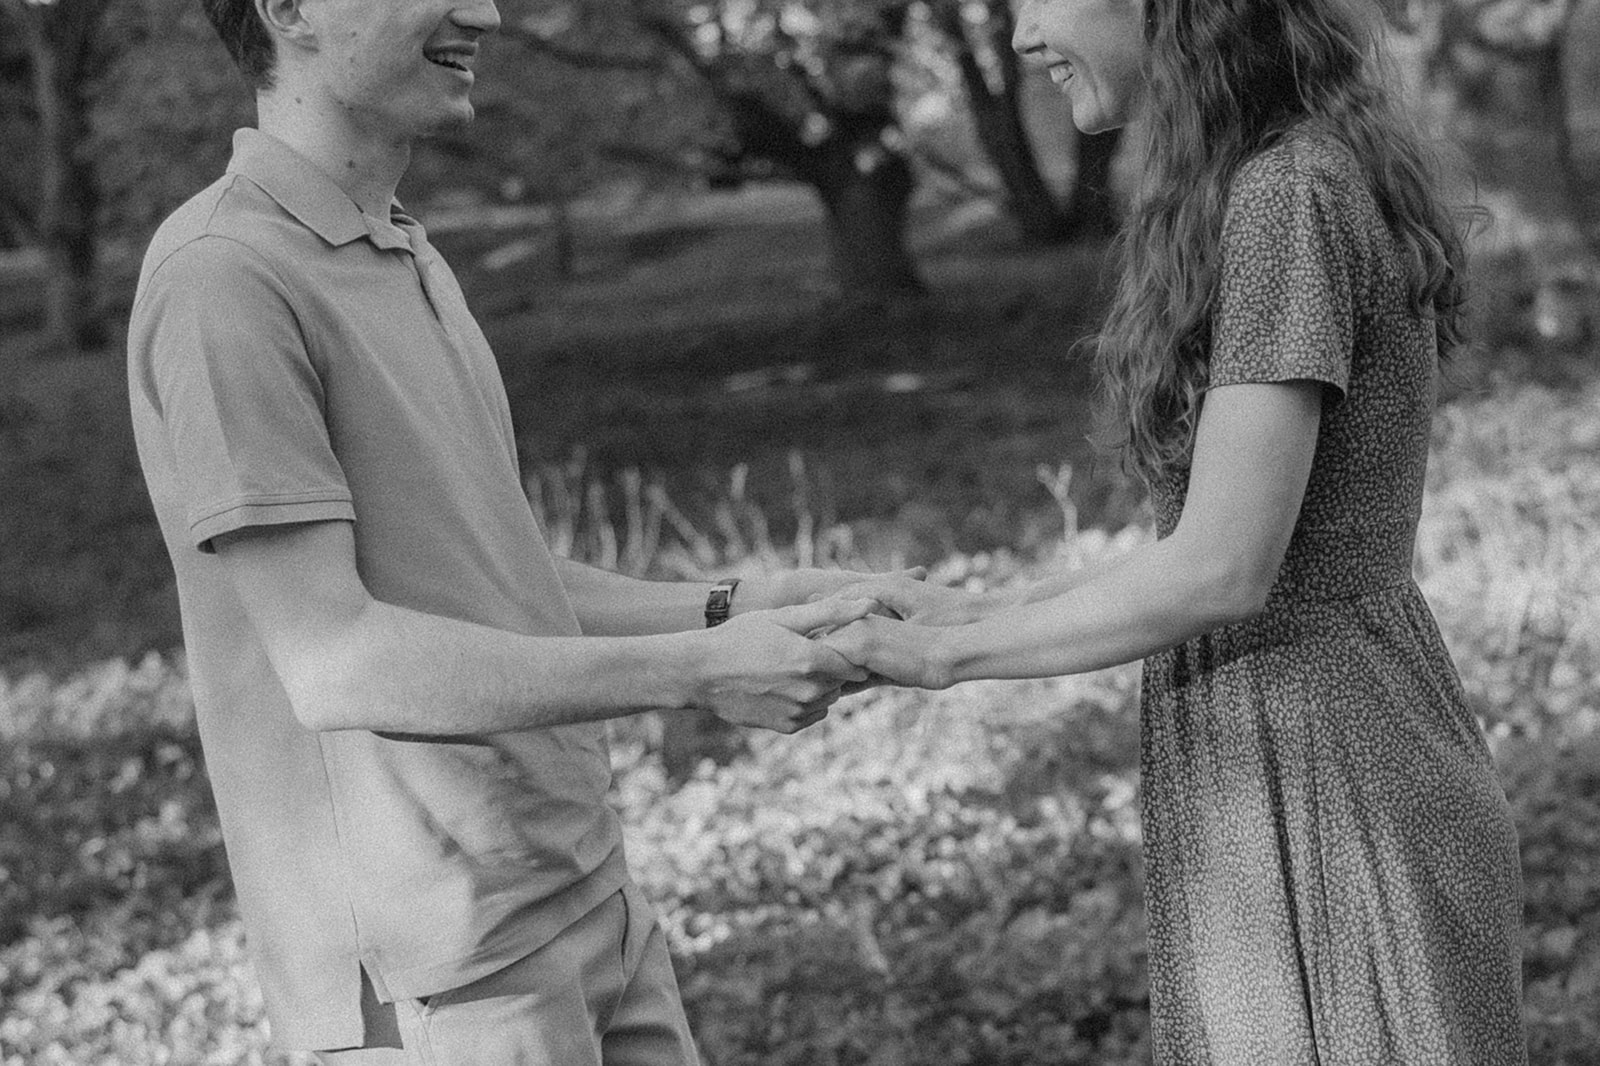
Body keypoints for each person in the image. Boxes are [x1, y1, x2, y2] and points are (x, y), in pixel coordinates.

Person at [127, 0, 901, 1062]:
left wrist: (733, 605)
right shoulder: (224, 279)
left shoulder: (401, 244)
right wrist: (697, 670)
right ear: (289, 9)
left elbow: (496, 580)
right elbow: (338, 662)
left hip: (586, 896)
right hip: (440, 979)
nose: (483, 9)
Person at [822, 0, 1528, 1061]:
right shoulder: (1286, 177)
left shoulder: (1287, 195)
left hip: (1337, 789)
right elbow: (1214, 543)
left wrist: (938, 653)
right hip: (1312, 750)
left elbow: (1224, 570)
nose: (1018, 40)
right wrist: (982, 604)